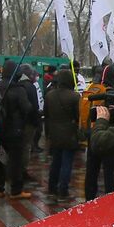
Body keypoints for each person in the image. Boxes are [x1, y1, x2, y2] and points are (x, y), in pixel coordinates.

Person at [0, 63, 40, 198]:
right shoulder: (18, 89)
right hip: (15, 129)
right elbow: (27, 108)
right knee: (16, 161)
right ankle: (16, 190)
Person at [43, 68, 80, 200]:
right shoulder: (75, 96)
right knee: (67, 162)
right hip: (69, 132)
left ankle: (52, 187)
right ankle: (63, 189)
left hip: (54, 132)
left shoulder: (50, 95)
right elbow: (77, 116)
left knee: (55, 161)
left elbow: (46, 114)